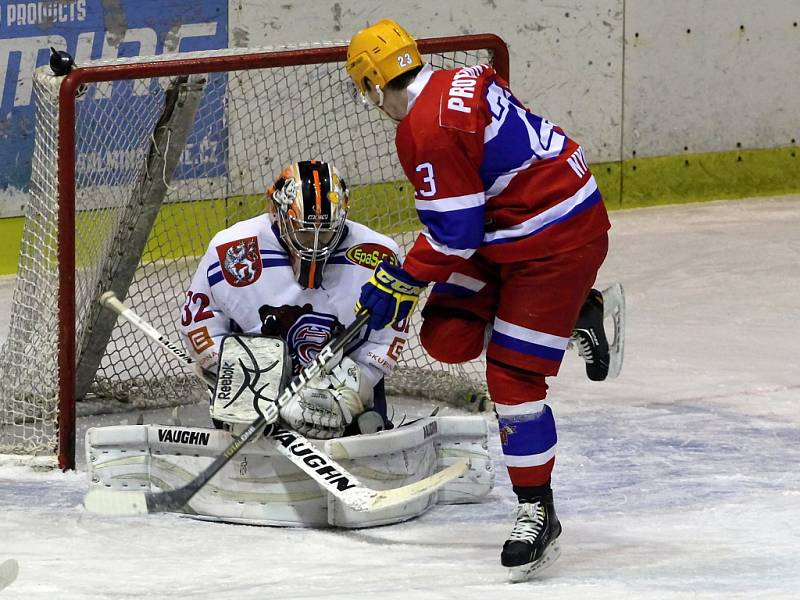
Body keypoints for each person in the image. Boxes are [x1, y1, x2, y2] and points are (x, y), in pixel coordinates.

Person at [346, 20, 611, 579]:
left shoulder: (424, 128)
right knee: (447, 336)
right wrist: (409, 281)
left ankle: (538, 509)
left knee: (512, 378)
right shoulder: (455, 80)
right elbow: (467, 218)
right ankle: (577, 313)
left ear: (373, 84)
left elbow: (455, 235)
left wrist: (399, 280)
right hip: (513, 230)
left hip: (554, 245)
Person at [178, 160, 407, 439]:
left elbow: (387, 335)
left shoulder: (379, 256)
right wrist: (236, 379)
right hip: (256, 376)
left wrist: (352, 392)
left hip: (337, 378)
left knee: (365, 423)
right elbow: (198, 322)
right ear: (277, 212)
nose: (314, 242)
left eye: (325, 232)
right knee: (239, 425)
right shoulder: (232, 249)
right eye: (304, 230)